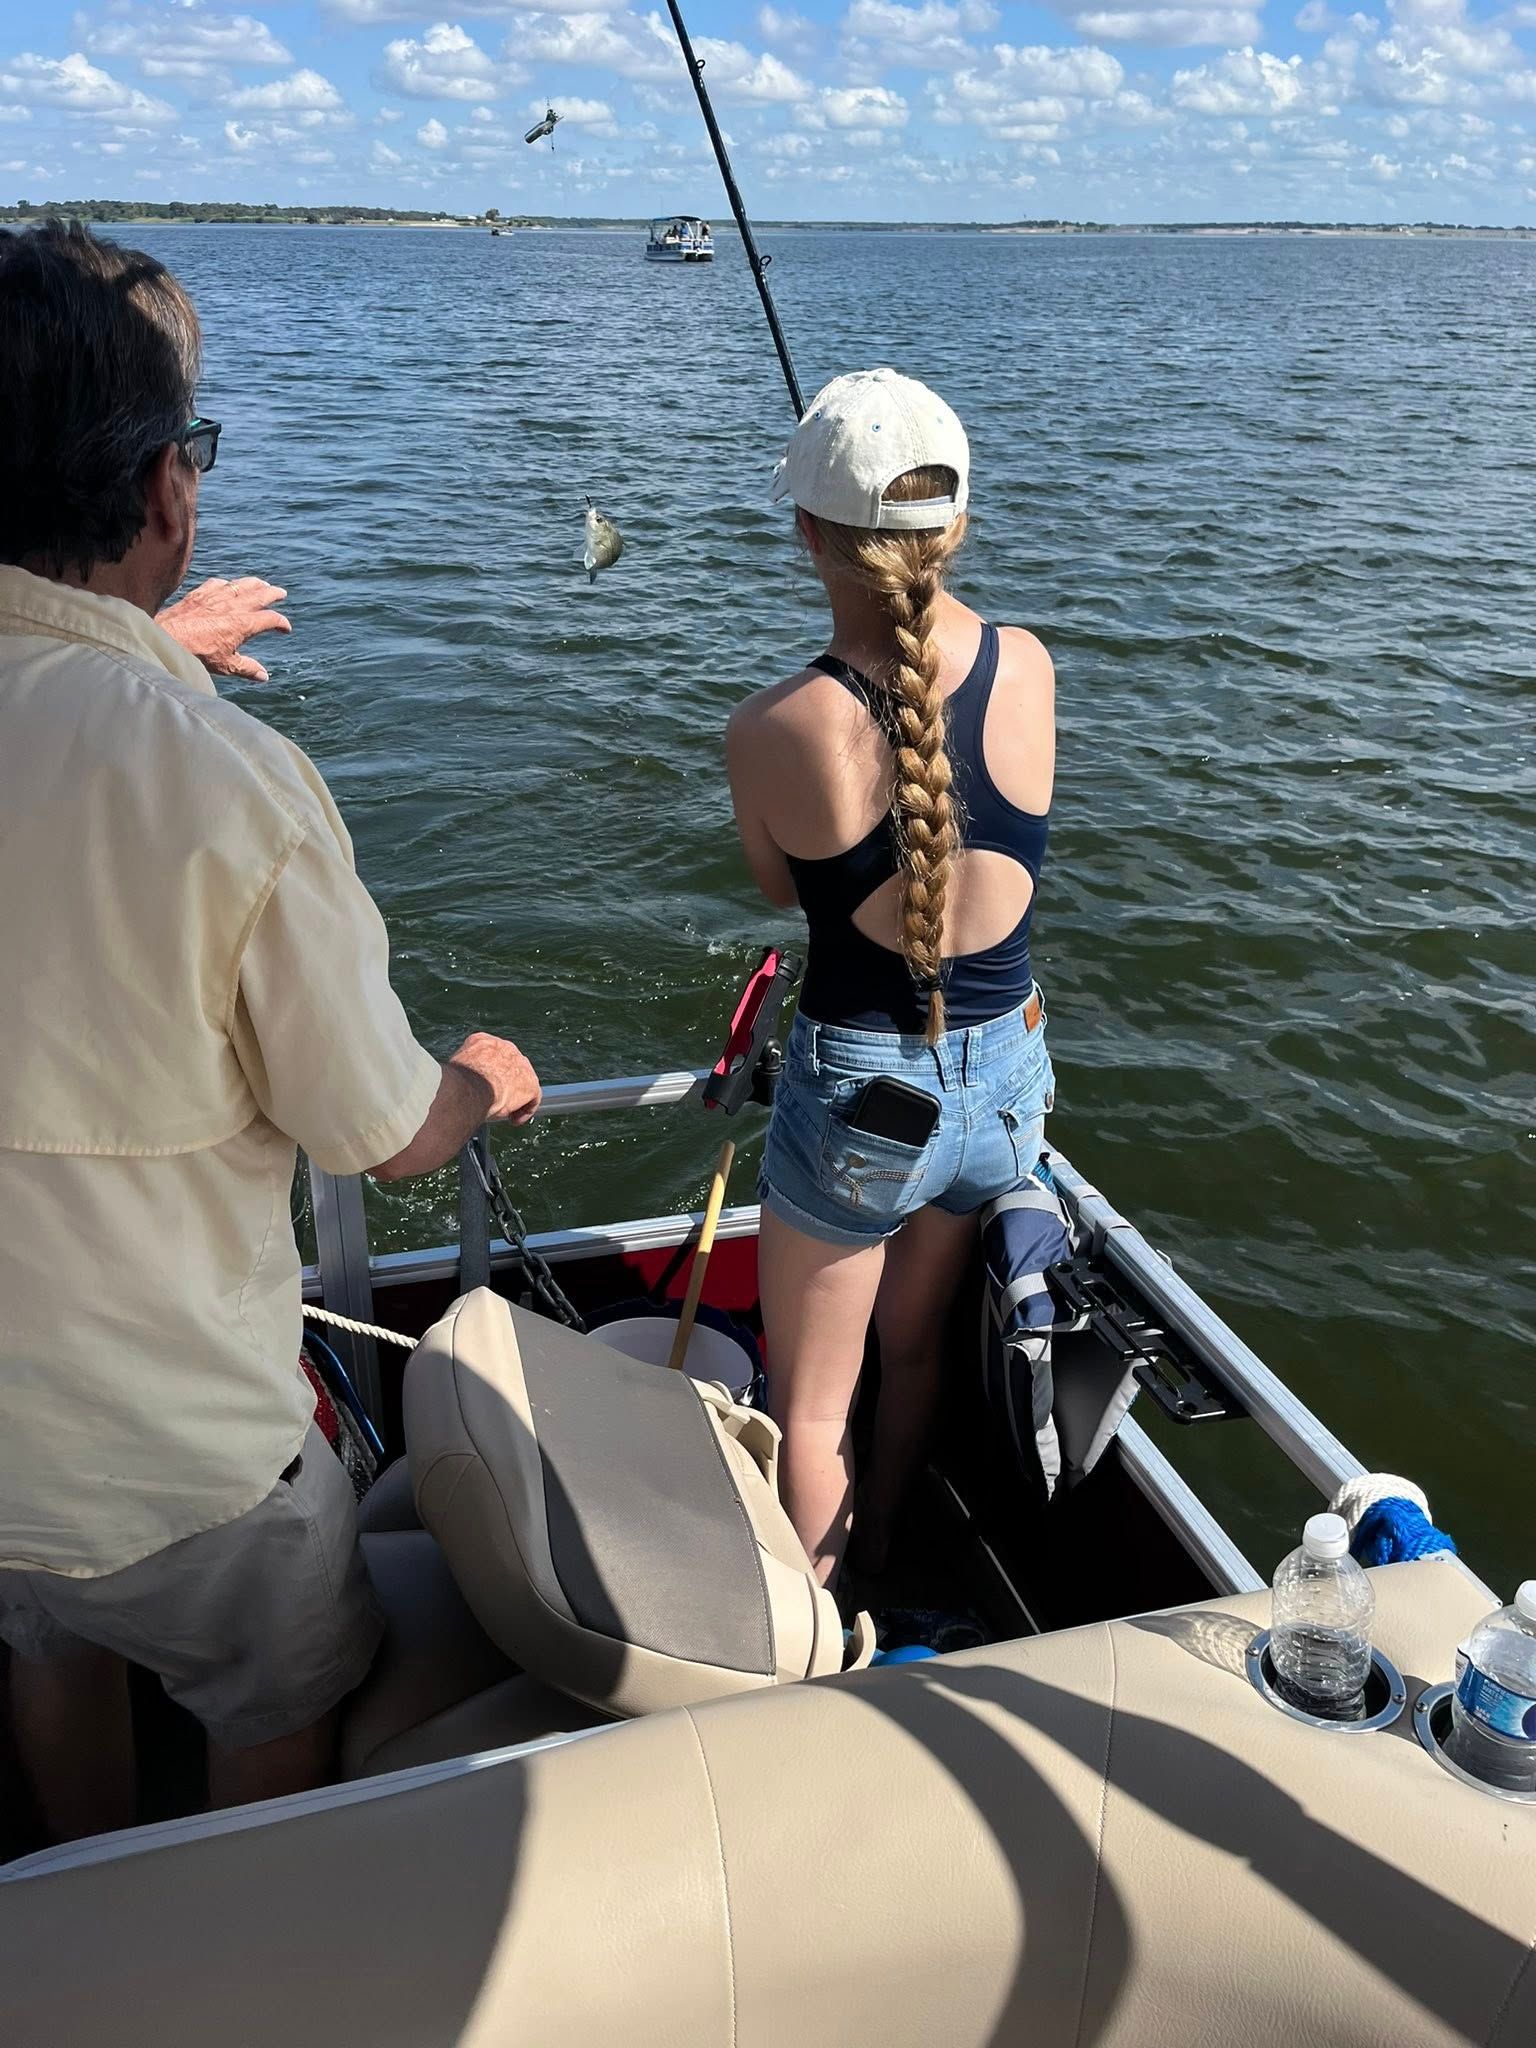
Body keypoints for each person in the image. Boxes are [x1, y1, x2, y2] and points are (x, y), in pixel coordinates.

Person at [0, 219, 541, 1842]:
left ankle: (85, 1888)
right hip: (185, 1471)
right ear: (167, 490)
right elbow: (382, 1131)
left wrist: (139, 652)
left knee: (47, 1646)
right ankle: (227, 1918)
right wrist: (478, 1082)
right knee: (280, 1690)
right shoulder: (235, 788)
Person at [726, 368, 1056, 1588]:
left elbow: (781, 887)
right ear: (955, 524)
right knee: (911, 1352)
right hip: (1007, 1078)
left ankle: (823, 1648)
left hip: (864, 1091)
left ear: (808, 534)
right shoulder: (1030, 664)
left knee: (813, 1408)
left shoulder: (771, 726)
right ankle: (886, 1567)